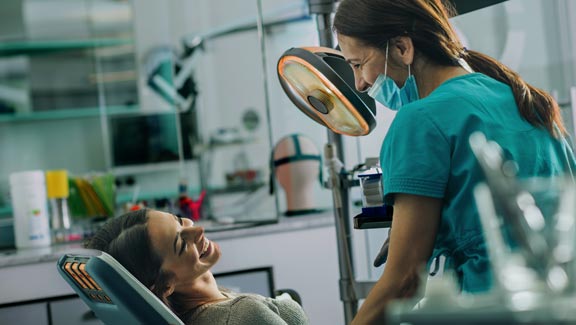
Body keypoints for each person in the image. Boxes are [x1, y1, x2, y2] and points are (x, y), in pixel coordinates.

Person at [333, 0, 576, 324]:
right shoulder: (526, 99)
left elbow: (404, 282)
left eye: (358, 64)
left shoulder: (419, 120)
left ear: (402, 48)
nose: (359, 83)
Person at [85, 208, 309, 325]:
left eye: (180, 220)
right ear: (165, 285)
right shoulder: (243, 315)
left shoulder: (196, 314)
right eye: (181, 243)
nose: (198, 230)